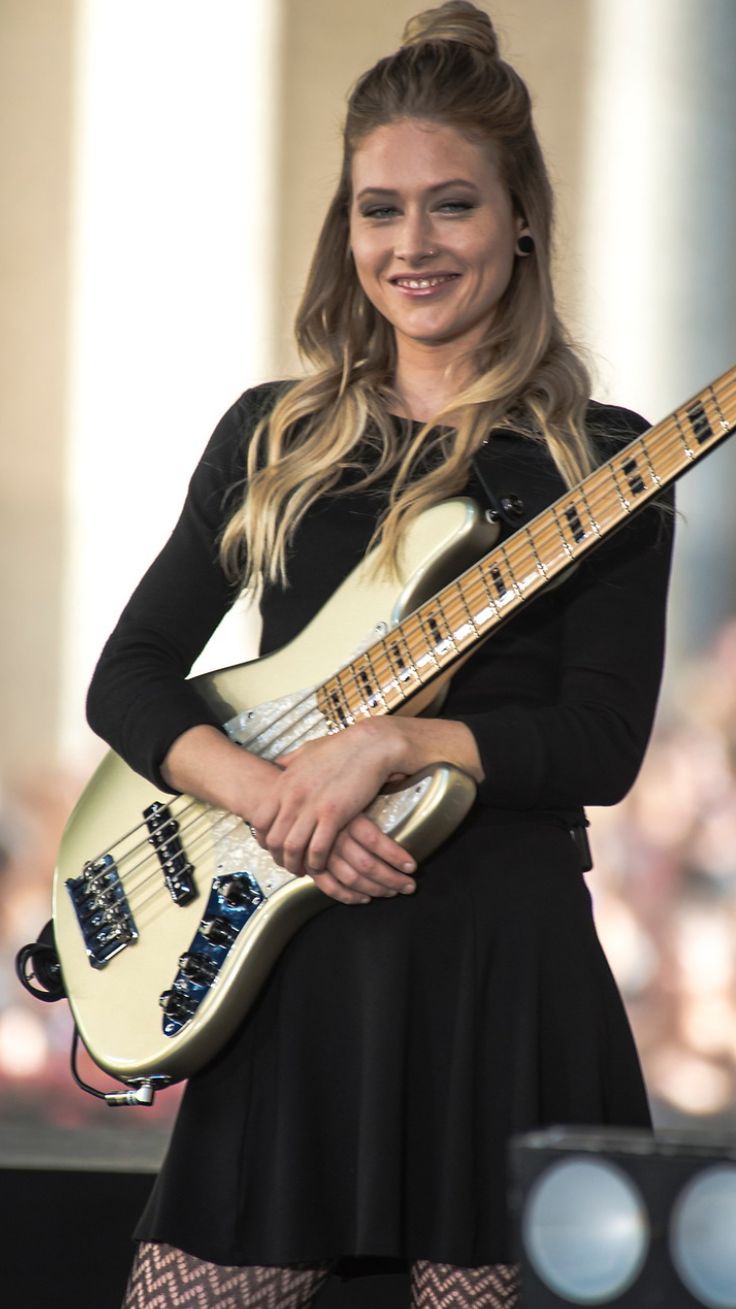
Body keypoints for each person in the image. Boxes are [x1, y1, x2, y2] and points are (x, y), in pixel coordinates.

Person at [87, 4, 674, 1306]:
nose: (412, 245)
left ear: (521, 217)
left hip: (499, 977)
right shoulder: (271, 434)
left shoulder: (609, 456)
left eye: (451, 206)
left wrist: (396, 743)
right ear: (345, 226)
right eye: (379, 209)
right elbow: (128, 675)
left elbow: (601, 743)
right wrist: (278, 795)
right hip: (288, 955)